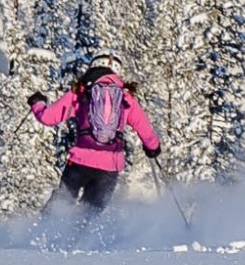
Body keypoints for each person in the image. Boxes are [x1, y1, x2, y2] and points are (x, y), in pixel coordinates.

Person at [27, 52, 161, 218]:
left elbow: (48, 118)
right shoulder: (126, 98)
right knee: (89, 216)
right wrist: (153, 148)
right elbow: (146, 130)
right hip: (110, 166)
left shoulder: (81, 92)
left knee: (61, 203)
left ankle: (42, 235)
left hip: (79, 161)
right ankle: (80, 241)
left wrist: (37, 103)